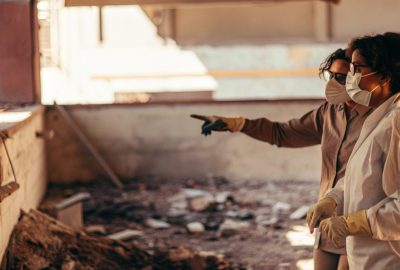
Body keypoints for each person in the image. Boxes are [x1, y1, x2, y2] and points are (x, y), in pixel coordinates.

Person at [192, 48, 371, 270]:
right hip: (327, 216)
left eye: (341, 77)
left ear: (359, 78)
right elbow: (283, 133)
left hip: (361, 220)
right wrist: (238, 124)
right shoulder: (330, 112)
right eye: (331, 76)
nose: (334, 83)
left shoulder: (379, 117)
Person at [307, 32, 400, 270]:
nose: (350, 77)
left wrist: (355, 222)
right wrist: (333, 199)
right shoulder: (379, 116)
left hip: (388, 259)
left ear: (385, 75)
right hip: (368, 257)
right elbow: (363, 177)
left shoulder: (397, 121)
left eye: (357, 68)